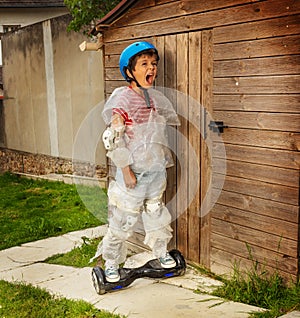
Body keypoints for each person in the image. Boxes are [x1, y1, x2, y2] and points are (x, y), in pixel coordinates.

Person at [94, 41, 180, 282]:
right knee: (124, 218)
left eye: (153, 64)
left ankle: (160, 253)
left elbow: (157, 133)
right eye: (144, 64)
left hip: (155, 169)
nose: (151, 68)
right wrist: (126, 171)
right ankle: (111, 263)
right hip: (131, 172)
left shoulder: (155, 98)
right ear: (129, 71)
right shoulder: (122, 98)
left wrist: (161, 161)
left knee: (155, 212)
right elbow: (112, 138)